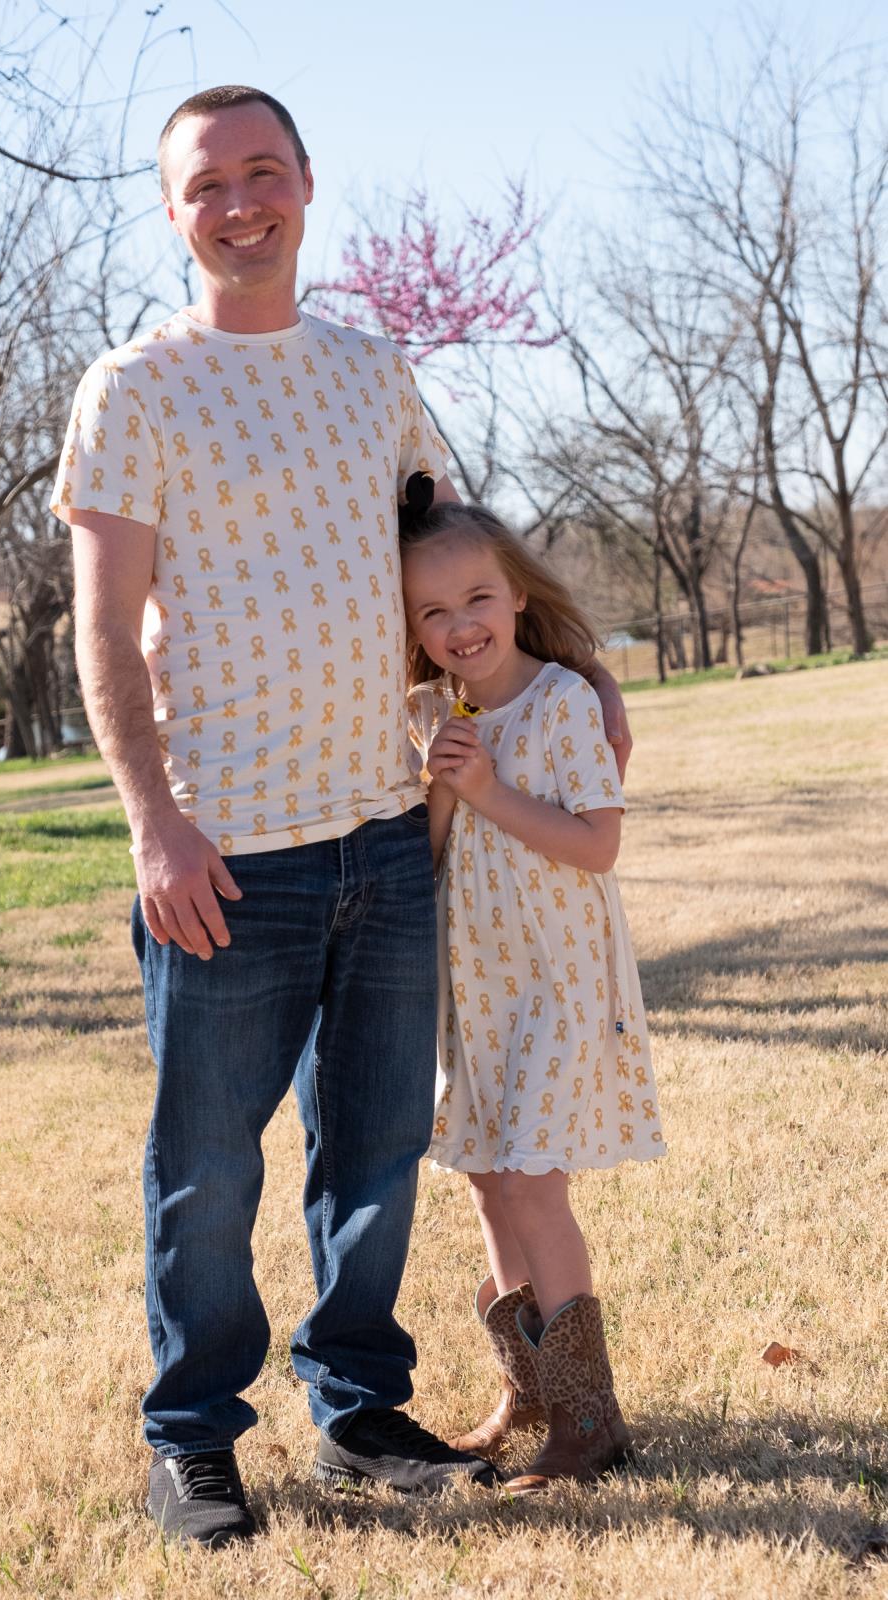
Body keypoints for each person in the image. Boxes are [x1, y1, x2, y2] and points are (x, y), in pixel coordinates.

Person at [50, 86, 632, 1547]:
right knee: (208, 1163)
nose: (239, 202)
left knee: (370, 1149)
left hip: (384, 833)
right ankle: (190, 1437)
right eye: (206, 184)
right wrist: (151, 823)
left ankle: (359, 1407)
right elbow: (104, 634)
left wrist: (577, 672)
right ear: (171, 210)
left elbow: (455, 551)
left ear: (306, 182)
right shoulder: (134, 387)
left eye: (263, 171)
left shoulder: (374, 375)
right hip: (225, 851)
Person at [399, 476, 664, 1494]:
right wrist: (439, 783)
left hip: (554, 984)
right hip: (473, 992)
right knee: (484, 1174)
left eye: (475, 598)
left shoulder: (560, 705)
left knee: (535, 1181)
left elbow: (595, 845)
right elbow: (426, 857)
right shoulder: (430, 715)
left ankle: (590, 1419)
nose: (459, 624)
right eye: (433, 611)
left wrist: (488, 788)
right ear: (415, 633)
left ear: (514, 594)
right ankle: (530, 1391)